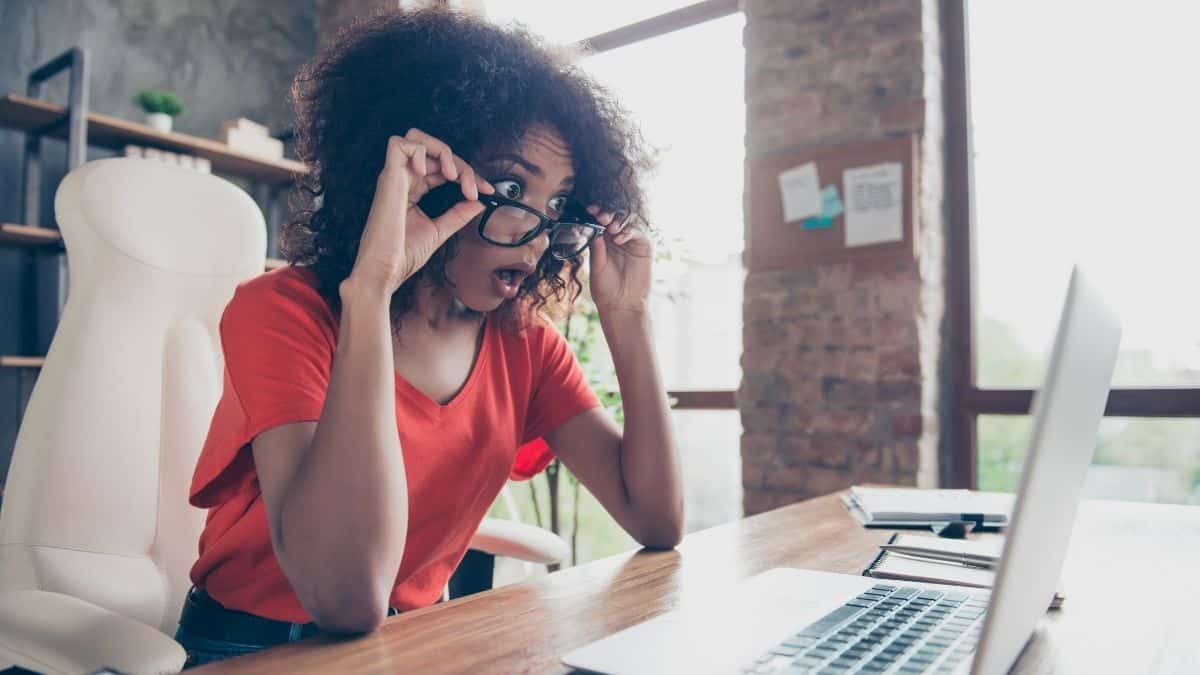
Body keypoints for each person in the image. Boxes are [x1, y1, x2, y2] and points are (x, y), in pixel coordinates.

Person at [173, 7, 683, 668]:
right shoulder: (282, 312)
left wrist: (628, 318)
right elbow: (347, 596)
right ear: (424, 177)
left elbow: (656, 519)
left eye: (558, 206)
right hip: (247, 649)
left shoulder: (526, 346)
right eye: (508, 186)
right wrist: (373, 287)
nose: (536, 236)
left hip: (414, 645)